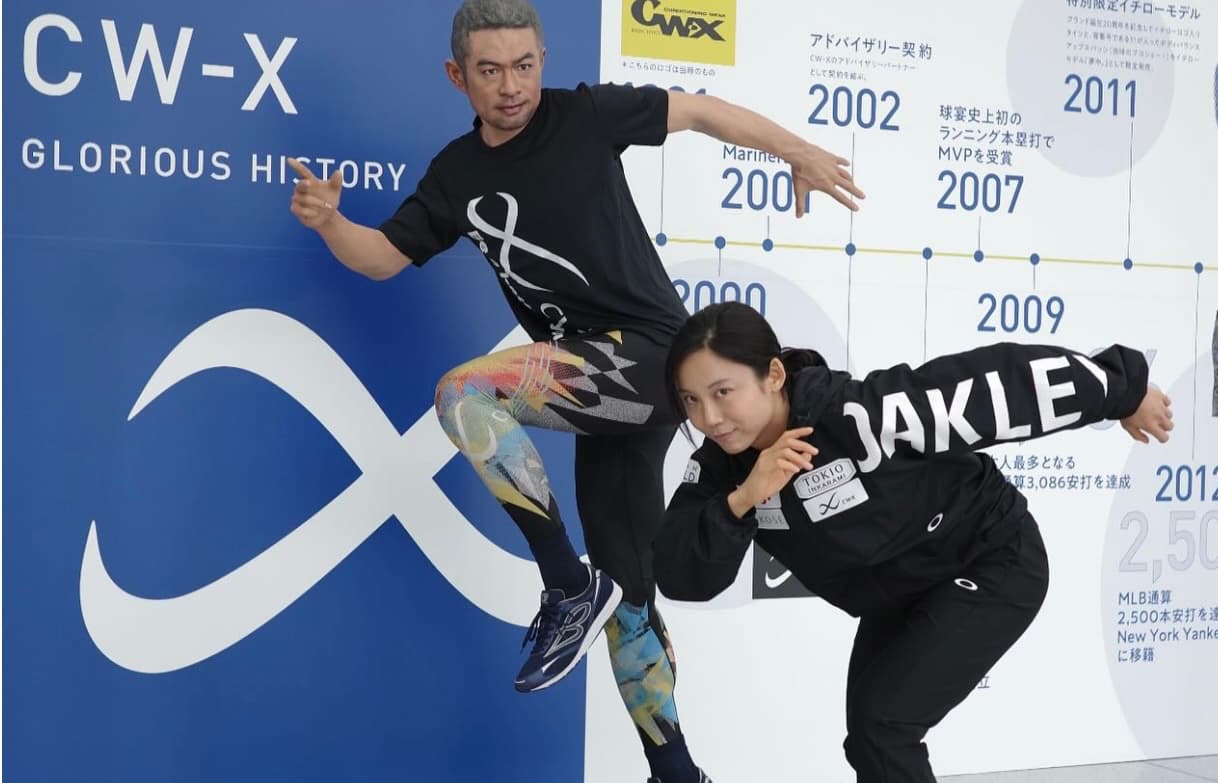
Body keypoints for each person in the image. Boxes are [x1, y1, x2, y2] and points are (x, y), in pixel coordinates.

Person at [286, 1, 863, 780]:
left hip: (655, 359)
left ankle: (566, 585)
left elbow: (699, 111)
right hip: (603, 395)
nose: (511, 86)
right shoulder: (457, 175)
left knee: (464, 394)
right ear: (458, 76)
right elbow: (384, 256)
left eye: (524, 66)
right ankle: (677, 771)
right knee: (630, 602)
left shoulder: (586, 116)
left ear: (543, 62)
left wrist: (799, 150)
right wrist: (330, 222)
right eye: (490, 70)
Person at [655, 302, 1173, 782]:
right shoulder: (722, 472)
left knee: (883, 728)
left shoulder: (858, 414)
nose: (709, 418)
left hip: (991, 557)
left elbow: (997, 385)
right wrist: (744, 498)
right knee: (870, 740)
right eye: (691, 400)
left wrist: (1123, 390)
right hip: (897, 594)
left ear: (772, 375)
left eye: (723, 393)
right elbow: (680, 576)